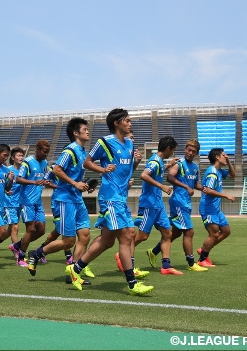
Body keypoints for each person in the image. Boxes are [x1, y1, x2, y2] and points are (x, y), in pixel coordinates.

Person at [69, 108, 154, 296]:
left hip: (121, 197)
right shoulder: (105, 142)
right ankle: (132, 284)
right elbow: (87, 162)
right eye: (127, 120)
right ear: (117, 123)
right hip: (110, 197)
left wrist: (137, 162)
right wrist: (102, 169)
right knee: (126, 237)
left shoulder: (130, 144)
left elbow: (127, 170)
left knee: (107, 241)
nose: (130, 124)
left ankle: (75, 269)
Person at [26, 118, 95, 281]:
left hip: (77, 199)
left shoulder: (84, 152)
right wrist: (74, 184)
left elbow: (75, 177)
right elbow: (57, 169)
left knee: (85, 236)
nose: (88, 131)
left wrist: (84, 185)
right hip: (64, 200)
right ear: (75, 133)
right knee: (69, 241)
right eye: (84, 129)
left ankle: (73, 274)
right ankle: (36, 254)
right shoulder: (69, 150)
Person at [146, 139, 207, 272]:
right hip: (178, 202)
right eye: (189, 150)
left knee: (175, 233)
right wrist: (186, 187)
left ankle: (154, 251)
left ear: (197, 153)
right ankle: (191, 263)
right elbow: (170, 177)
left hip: (186, 203)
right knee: (189, 232)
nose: (190, 153)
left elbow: (195, 184)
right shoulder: (179, 164)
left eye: (194, 151)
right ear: (185, 149)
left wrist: (203, 188)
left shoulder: (195, 168)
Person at [132, 136, 184, 275]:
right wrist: (162, 186)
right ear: (168, 148)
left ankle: (166, 266)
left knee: (167, 233)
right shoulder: (154, 161)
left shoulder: (159, 161)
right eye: (172, 151)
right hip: (149, 204)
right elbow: (144, 175)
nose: (172, 153)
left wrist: (169, 164)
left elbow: (158, 171)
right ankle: (123, 255)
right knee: (143, 236)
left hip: (158, 204)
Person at [10, 140, 51, 267]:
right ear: (37, 150)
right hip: (27, 201)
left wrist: (47, 182)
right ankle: (20, 257)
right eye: (44, 152)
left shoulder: (44, 163)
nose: (46, 155)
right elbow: (19, 179)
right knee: (31, 229)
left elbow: (45, 177)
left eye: (47, 152)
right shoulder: (27, 162)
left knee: (41, 230)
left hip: (37, 201)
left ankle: (17, 246)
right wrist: (34, 182)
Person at [197, 147, 236, 267]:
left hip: (215, 209)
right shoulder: (213, 173)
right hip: (208, 208)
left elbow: (232, 175)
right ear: (217, 157)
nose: (226, 157)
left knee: (226, 231)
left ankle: (204, 250)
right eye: (224, 155)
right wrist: (225, 195)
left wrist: (229, 162)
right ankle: (202, 259)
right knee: (213, 234)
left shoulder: (219, 171)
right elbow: (207, 190)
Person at [2, 147, 25, 251]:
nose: (21, 157)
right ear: (12, 157)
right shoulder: (8, 170)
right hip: (9, 202)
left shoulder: (24, 170)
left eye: (22, 155)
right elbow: (1, 184)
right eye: (18, 155)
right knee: (15, 227)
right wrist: (5, 190)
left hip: (20, 203)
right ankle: (18, 253)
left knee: (10, 230)